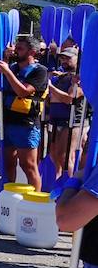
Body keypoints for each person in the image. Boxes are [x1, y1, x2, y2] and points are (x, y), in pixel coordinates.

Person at [0, 34, 48, 190]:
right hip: (7, 121)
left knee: (28, 165)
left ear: (32, 52)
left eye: (20, 48)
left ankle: (34, 204)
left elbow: (23, 92)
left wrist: (7, 72)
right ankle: (6, 201)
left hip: (26, 124)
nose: (16, 51)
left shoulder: (40, 72)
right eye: (16, 47)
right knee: (7, 164)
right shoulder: (13, 68)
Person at [47, 47, 84, 178]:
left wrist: (50, 87)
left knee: (65, 156)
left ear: (78, 59)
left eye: (68, 58)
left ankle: (70, 186)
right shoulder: (61, 76)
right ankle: (57, 183)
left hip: (73, 122)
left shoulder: (81, 78)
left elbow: (69, 99)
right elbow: (52, 98)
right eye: (62, 58)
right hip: (56, 120)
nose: (64, 60)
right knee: (54, 155)